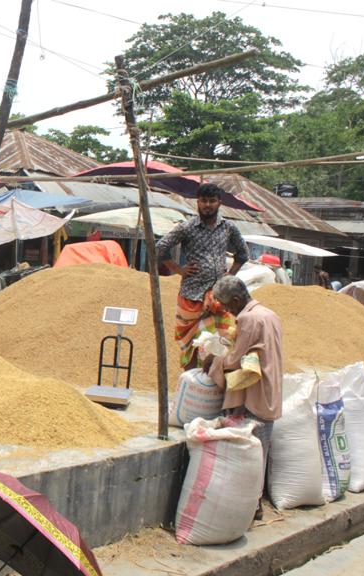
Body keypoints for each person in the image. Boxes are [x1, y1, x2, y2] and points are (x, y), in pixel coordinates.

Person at [204, 275, 283, 520]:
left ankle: (250, 506)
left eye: (227, 306)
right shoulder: (269, 314)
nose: (227, 311)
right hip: (270, 389)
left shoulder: (249, 318)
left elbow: (235, 358)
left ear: (237, 300)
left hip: (254, 393)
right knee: (260, 450)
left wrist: (212, 363)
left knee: (250, 454)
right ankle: (254, 503)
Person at [155, 183, 250, 369]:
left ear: (219, 203)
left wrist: (229, 277)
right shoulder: (187, 227)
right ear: (197, 202)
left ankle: (213, 384)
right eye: (204, 201)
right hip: (191, 297)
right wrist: (178, 269)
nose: (208, 205)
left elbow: (243, 254)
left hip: (220, 298)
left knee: (220, 345)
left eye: (212, 201)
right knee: (192, 345)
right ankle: (192, 384)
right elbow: (160, 248)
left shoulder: (228, 227)